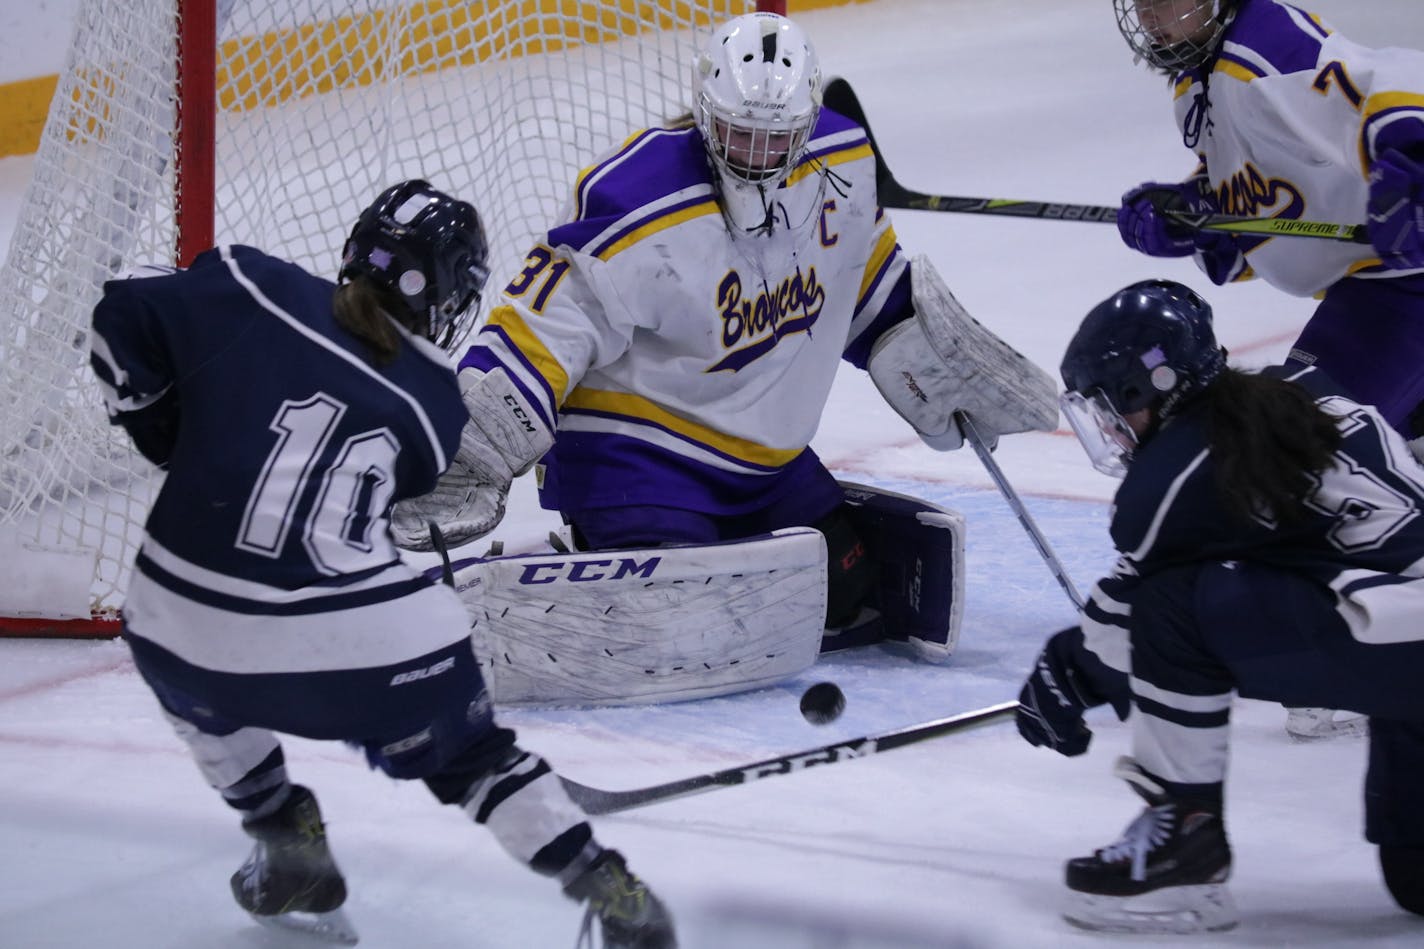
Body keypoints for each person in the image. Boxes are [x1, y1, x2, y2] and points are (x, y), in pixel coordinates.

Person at [391, 12, 1059, 705]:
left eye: (779, 139)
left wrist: (919, 346)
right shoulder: (635, 198)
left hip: (765, 464)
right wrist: (473, 441)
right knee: (692, 626)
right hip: (637, 456)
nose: (759, 155)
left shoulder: (843, 162)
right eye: (741, 133)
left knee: (850, 595)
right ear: (705, 114)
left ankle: (639, 559)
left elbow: (860, 281)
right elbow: (542, 324)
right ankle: (585, 558)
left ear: (808, 123)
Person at [87, 180, 676, 947]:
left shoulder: (249, 280)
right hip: (368, 639)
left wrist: (162, 429)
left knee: (187, 667)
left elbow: (118, 315)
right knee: (475, 761)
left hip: (184, 610)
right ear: (450, 297)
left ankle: (279, 827)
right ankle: (610, 886)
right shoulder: (437, 404)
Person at [1014, 278, 1424, 934]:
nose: (1113, 435)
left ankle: (1188, 838)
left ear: (1147, 386)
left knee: (1171, 608)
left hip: (1408, 634)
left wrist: (1068, 671)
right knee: (1417, 882)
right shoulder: (1276, 402)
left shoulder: (1183, 462)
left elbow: (1129, 616)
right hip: (1406, 640)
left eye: (1110, 409)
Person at [1112, 0, 1424, 740]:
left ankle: (1355, 658)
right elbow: (1273, 194)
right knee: (1387, 458)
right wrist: (1197, 217)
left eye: (1170, 0)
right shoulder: (1200, 81)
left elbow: (1396, 83)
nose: (1155, 18)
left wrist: (1416, 169)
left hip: (1403, 284)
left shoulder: (1263, 46)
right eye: (1145, 4)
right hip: (1377, 282)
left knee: (1290, 443)